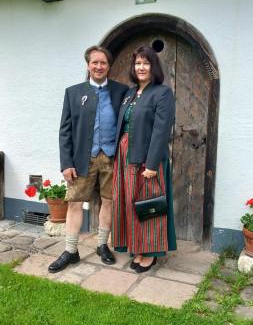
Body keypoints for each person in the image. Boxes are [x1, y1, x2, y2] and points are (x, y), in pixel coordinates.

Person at [48, 45, 128, 273]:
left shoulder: (121, 91)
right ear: (88, 65)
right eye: (95, 62)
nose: (99, 66)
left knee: (108, 201)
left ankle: (103, 245)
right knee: (74, 202)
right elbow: (65, 131)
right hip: (83, 158)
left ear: (109, 66)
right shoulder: (73, 92)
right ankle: (71, 250)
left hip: (111, 158)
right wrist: (66, 163)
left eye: (103, 62)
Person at [112, 45, 177, 273]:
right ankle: (137, 247)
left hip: (147, 158)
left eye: (146, 63)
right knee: (130, 203)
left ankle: (150, 253)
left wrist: (151, 164)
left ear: (153, 67)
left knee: (148, 205)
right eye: (138, 63)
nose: (141, 67)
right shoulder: (130, 93)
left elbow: (161, 130)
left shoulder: (162, 93)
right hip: (125, 155)